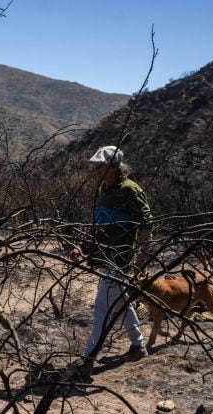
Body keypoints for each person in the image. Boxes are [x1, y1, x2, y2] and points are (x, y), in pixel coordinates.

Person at [69, 145, 153, 381]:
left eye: (100, 165)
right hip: (104, 255)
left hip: (119, 259)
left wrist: (141, 261)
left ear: (113, 166)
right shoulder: (102, 189)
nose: (95, 169)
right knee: (119, 301)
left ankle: (88, 361)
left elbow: (146, 225)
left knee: (101, 310)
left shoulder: (130, 190)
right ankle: (138, 346)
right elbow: (97, 223)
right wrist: (82, 247)